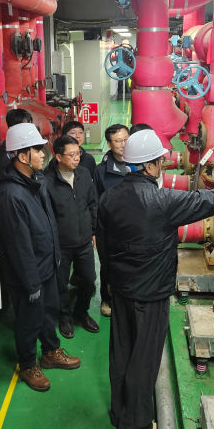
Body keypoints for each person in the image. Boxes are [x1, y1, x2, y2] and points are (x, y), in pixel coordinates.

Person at [98, 130, 214, 429]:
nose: (162, 165)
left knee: (122, 352)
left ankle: (121, 412)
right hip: (150, 293)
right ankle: (135, 427)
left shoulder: (109, 198)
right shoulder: (162, 201)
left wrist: (110, 284)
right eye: (159, 161)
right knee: (144, 358)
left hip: (121, 289)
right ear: (149, 166)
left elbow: (103, 246)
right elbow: (205, 201)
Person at [0, 123, 81, 392]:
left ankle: (51, 352)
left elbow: (48, 222)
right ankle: (28, 364)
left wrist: (55, 257)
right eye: (38, 150)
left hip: (46, 266)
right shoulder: (11, 195)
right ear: (23, 156)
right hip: (27, 276)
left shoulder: (36, 181)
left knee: (48, 312)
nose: (44, 154)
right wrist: (31, 284)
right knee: (28, 321)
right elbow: (18, 247)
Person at [44, 135, 100, 339]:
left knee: (89, 280)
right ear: (58, 156)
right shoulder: (47, 181)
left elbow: (92, 203)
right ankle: (65, 317)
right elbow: (46, 216)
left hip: (84, 241)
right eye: (72, 155)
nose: (77, 158)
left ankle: (81, 312)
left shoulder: (84, 174)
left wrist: (93, 231)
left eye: (79, 153)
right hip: (61, 245)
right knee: (60, 284)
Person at [94, 123, 130, 317]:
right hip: (109, 229)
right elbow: (95, 202)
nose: (123, 144)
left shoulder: (140, 164)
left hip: (134, 226)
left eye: (126, 139)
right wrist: (95, 230)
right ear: (109, 144)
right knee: (108, 265)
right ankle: (107, 299)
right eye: (118, 141)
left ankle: (128, 299)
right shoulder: (101, 171)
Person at [0, 108, 33, 185]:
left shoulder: (26, 145)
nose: (29, 130)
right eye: (26, 126)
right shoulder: (7, 152)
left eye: (30, 125)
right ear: (12, 128)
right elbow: (4, 177)